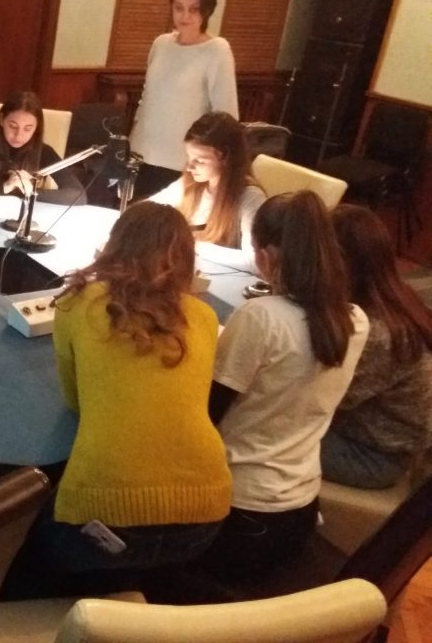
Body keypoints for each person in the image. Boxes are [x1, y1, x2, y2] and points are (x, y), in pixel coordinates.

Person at [41, 201, 231, 584]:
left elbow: (75, 403)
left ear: (116, 244)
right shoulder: (205, 316)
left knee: (36, 550)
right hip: (206, 513)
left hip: (106, 514)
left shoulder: (77, 302)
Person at [205, 191, 369, 579]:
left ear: (266, 256)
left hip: (238, 511)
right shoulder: (355, 320)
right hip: (299, 508)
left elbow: (206, 415)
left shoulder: (261, 317)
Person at [322, 205, 432, 489]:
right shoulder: (392, 295)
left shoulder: (379, 332)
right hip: (363, 434)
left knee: (249, 431)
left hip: (372, 455)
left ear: (342, 264)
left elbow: (324, 398)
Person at [129, 0, 239, 199]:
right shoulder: (161, 44)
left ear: (206, 11)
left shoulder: (217, 50)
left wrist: (212, 165)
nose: (185, 16)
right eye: (178, 8)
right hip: (141, 155)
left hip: (184, 163)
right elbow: (147, 99)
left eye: (194, 9)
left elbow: (226, 117)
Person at [150, 112, 264, 272]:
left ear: (225, 157)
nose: (190, 167)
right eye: (189, 157)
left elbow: (256, 262)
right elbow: (152, 207)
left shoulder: (250, 197)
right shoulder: (192, 183)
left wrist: (192, 245)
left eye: (200, 160)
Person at [0, 90, 86, 205]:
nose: (18, 135)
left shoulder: (44, 152)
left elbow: (78, 195)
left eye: (28, 129)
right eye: (13, 126)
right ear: (1, 120)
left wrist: (28, 191)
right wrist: (4, 187)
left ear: (36, 127)